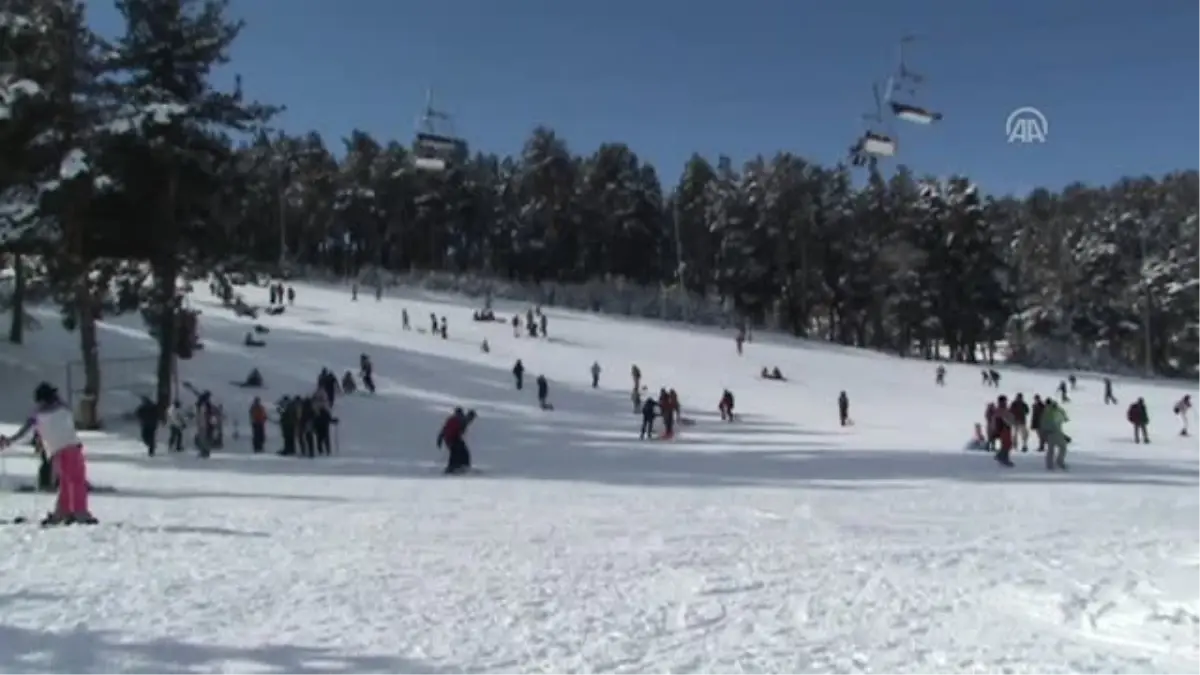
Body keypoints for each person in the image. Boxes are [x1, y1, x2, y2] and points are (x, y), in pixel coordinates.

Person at [0, 383, 96, 525]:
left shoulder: (37, 415)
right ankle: (79, 512)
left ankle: (62, 511)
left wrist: (8, 441)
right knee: (76, 481)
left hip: (55, 452)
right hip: (72, 448)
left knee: (65, 482)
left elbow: (24, 433)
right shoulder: (63, 408)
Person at [437, 407, 477, 474]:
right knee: (460, 452)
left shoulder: (453, 419)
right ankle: (458, 467)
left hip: (450, 439)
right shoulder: (463, 420)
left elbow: (444, 429)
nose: (472, 421)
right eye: (472, 418)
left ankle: (456, 466)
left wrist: (440, 439)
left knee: (458, 452)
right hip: (453, 439)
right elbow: (457, 430)